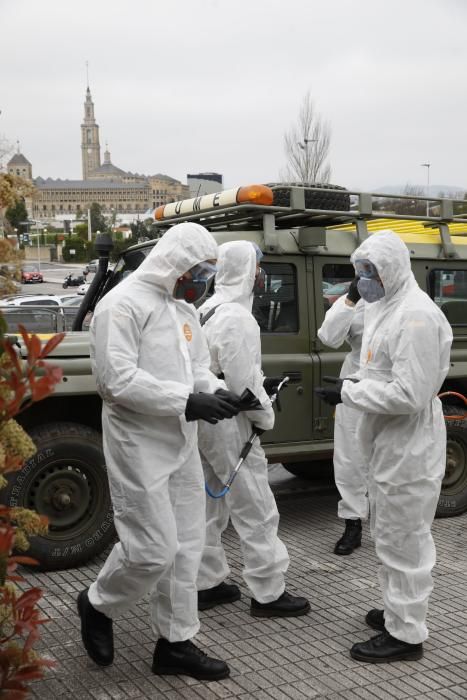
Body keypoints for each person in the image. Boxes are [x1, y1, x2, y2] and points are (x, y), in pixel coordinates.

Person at [77, 222, 242, 682]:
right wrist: (187, 401)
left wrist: (220, 392)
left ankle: (176, 643)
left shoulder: (185, 312)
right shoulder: (122, 305)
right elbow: (116, 381)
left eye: (210, 273)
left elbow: (200, 369)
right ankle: (96, 603)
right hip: (138, 444)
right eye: (200, 271)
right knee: (152, 549)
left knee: (187, 548)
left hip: (180, 440)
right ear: (176, 263)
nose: (203, 281)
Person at [315, 230, 453, 663]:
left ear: (390, 269)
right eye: (358, 273)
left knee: (405, 539)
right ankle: (398, 612)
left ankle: (407, 636)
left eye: (367, 273)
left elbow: (411, 394)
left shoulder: (416, 316)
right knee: (389, 534)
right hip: (389, 440)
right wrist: (354, 386)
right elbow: (349, 348)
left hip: (409, 442)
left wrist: (349, 393)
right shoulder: (384, 307)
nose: (362, 281)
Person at [196, 240, 310, 618]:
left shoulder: (207, 308)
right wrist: (266, 416)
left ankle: (206, 583)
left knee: (210, 504)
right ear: (248, 271)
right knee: (256, 506)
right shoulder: (237, 318)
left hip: (206, 419)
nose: (261, 274)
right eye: (258, 267)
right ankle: (268, 593)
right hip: (232, 423)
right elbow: (244, 382)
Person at [318, 278, 368, 555]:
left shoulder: (405, 303)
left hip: (390, 383)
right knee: (349, 456)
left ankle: (391, 524)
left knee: (390, 455)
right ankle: (352, 523)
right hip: (354, 381)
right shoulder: (355, 303)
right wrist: (349, 300)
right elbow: (329, 336)